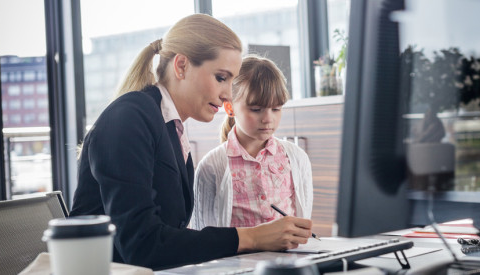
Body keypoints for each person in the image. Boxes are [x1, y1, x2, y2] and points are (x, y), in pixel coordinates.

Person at [70, 14, 313, 271]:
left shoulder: (170, 129)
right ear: (182, 66)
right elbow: (142, 246)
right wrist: (252, 237)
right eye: (221, 77)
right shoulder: (129, 118)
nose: (228, 94)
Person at [191, 55, 313, 230]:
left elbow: (303, 219)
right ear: (230, 107)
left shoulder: (297, 158)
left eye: (276, 109)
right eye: (256, 109)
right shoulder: (212, 166)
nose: (268, 119)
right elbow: (203, 233)